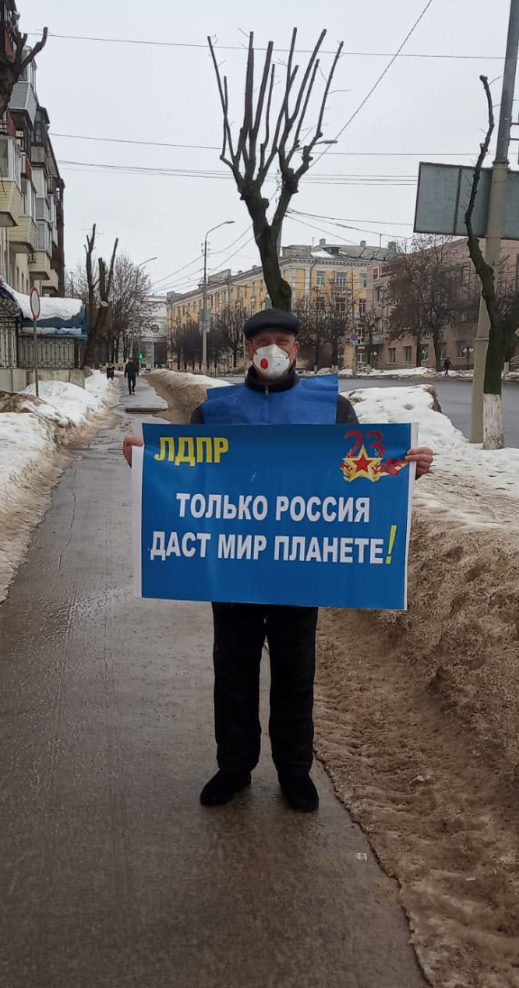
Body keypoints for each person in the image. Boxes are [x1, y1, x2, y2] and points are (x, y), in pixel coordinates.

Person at [123, 310, 434, 812]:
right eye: (263, 341)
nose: (272, 349)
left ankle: (295, 772)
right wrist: (143, 462)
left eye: (282, 340)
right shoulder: (216, 410)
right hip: (233, 568)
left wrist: (405, 471)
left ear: (296, 348)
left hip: (299, 570)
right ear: (249, 350)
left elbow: (358, 478)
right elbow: (187, 474)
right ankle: (234, 767)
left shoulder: (330, 409)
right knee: (234, 670)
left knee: (295, 673)